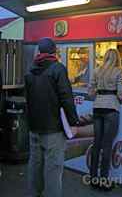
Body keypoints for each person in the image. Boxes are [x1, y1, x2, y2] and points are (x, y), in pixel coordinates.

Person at [25, 37, 80, 197]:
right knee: (53, 170)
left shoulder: (30, 70)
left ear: (39, 52)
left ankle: (34, 193)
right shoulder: (58, 69)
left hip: (34, 128)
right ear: (54, 52)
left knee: (35, 165)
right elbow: (66, 98)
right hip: (53, 130)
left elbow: (28, 100)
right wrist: (73, 122)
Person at [88, 48, 122, 191]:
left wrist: (99, 91)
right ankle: (104, 180)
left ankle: (93, 178)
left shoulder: (96, 70)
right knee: (107, 145)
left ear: (105, 57)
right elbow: (121, 95)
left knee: (96, 144)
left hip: (97, 108)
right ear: (117, 58)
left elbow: (90, 92)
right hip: (111, 109)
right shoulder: (118, 71)